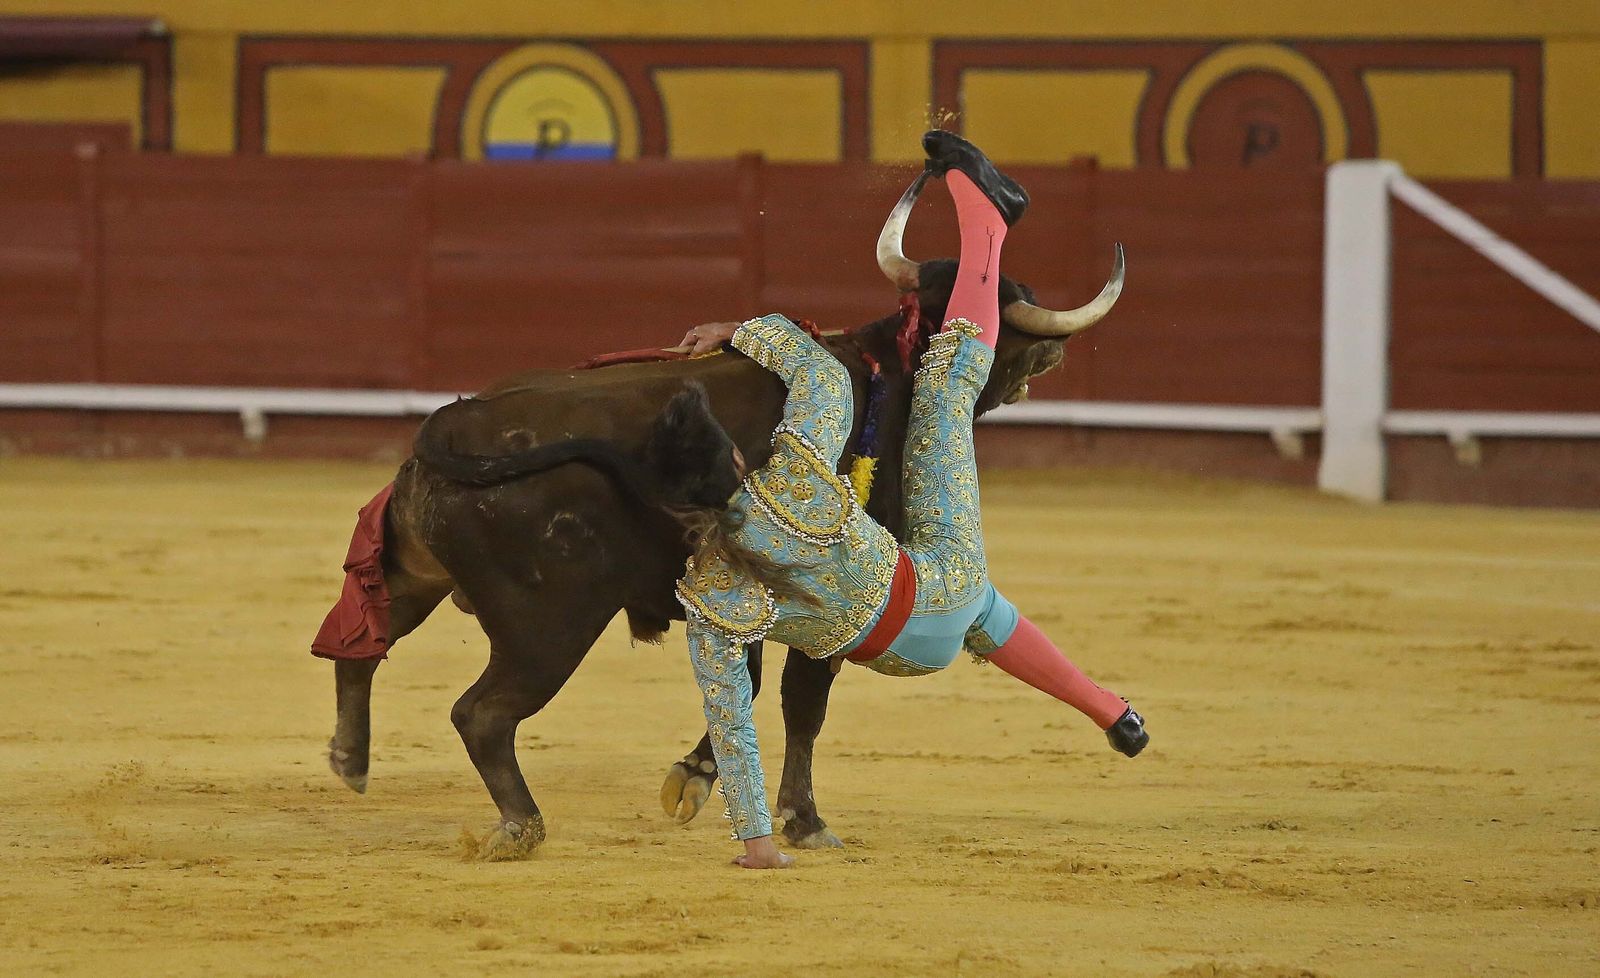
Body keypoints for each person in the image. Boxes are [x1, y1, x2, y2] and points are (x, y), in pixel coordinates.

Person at [674, 132, 1148, 870]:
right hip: (940, 583)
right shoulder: (799, 472)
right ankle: (1112, 711)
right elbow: (823, 375)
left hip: (894, 649)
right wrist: (744, 331)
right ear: (737, 458)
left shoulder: (712, 590)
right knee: (949, 386)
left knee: (975, 606)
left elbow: (731, 712)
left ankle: (1110, 710)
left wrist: (758, 842)